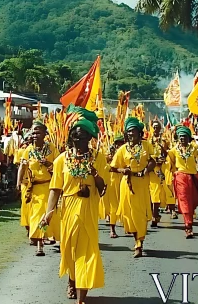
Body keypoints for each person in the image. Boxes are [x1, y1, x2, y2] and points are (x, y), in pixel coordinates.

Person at [40, 107, 107, 304]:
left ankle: (81, 297)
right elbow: (55, 189)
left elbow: (103, 188)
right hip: (68, 208)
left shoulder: (98, 157)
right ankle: (72, 278)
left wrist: (94, 173)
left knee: (87, 251)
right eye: (76, 138)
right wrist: (48, 213)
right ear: (71, 139)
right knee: (69, 250)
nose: (80, 142)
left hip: (88, 208)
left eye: (84, 138)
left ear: (90, 139)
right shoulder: (62, 160)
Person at [111, 117, 155, 258]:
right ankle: (136, 239)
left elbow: (152, 160)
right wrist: (122, 170)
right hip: (127, 185)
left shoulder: (146, 146)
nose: (131, 134)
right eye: (129, 131)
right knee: (130, 215)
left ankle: (139, 244)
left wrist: (146, 170)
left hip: (142, 183)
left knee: (140, 214)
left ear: (139, 132)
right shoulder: (122, 149)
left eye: (134, 131)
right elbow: (112, 167)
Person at [16, 120, 59, 256]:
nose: (35, 135)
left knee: (49, 215)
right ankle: (39, 243)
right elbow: (22, 167)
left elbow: (59, 168)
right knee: (37, 216)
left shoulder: (52, 149)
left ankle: (48, 238)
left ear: (45, 134)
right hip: (34, 189)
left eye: (38, 132)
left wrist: (48, 164)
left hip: (50, 187)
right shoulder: (28, 150)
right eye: (33, 132)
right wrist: (18, 183)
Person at [169, 126, 198, 239]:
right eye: (180, 136)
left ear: (189, 138)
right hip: (181, 177)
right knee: (184, 201)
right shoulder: (173, 150)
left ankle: (189, 220)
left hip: (193, 177)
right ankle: (188, 226)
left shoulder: (193, 149)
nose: (182, 138)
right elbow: (170, 163)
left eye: (184, 136)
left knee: (193, 201)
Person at [102, 135, 123, 238]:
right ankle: (112, 229)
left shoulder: (126, 151)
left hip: (123, 180)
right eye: (118, 143)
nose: (119, 145)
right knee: (113, 205)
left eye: (121, 143)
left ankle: (129, 226)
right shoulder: (108, 153)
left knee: (125, 203)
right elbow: (104, 165)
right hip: (111, 180)